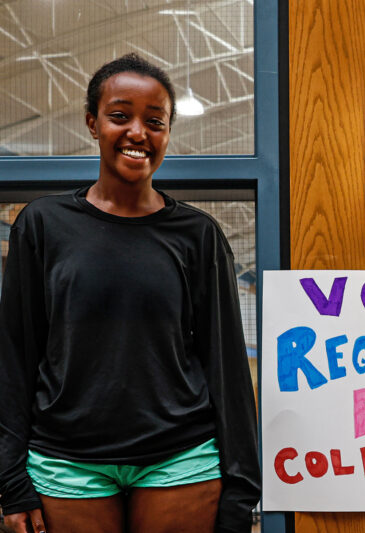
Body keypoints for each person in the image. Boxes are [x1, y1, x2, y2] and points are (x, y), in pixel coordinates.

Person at [0, 54, 260, 533]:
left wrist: (242, 492)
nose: (138, 132)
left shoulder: (197, 235)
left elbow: (226, 367)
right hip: (66, 459)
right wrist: (9, 477)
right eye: (120, 116)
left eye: (154, 122)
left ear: (166, 133)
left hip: (179, 456)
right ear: (92, 124)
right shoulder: (43, 225)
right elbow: (15, 355)